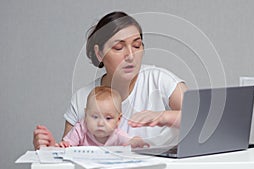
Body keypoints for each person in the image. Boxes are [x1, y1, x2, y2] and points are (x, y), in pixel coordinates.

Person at [33, 11, 188, 150]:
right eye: (119, 47)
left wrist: (163, 117)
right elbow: (68, 152)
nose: (131, 55)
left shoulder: (160, 80)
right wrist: (50, 149)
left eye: (137, 45)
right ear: (99, 53)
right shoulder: (82, 99)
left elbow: (204, 117)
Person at [57, 86, 149, 148]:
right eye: (95, 117)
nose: (100, 123)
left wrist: (136, 142)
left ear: (118, 120)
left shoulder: (117, 135)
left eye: (108, 118)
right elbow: (68, 144)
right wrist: (65, 145)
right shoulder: (81, 128)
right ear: (86, 115)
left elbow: (129, 143)